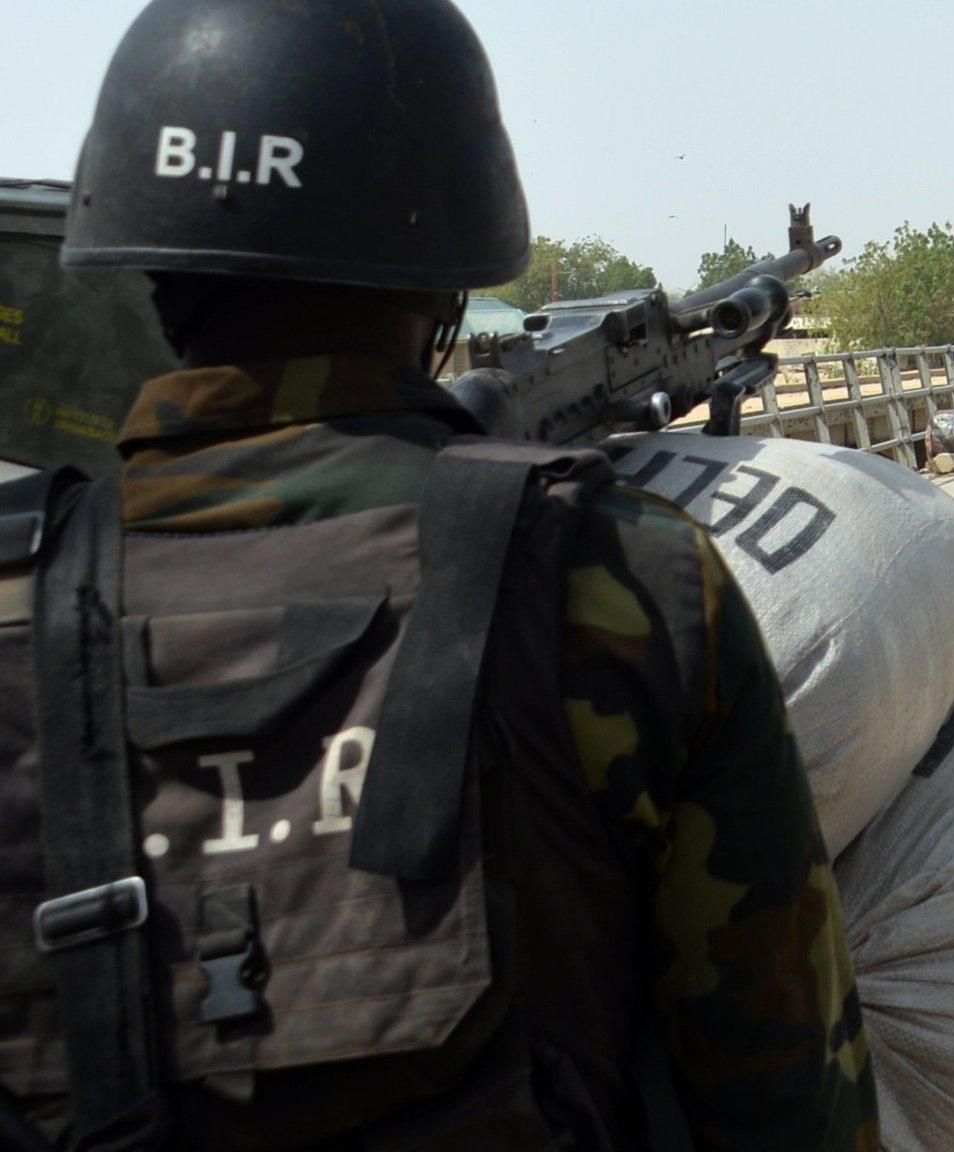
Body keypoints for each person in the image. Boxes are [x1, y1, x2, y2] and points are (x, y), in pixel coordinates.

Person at [0, 1, 877, 1148]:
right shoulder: (619, 578)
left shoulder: (22, 596)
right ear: (447, 268)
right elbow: (785, 1099)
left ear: (144, 260)